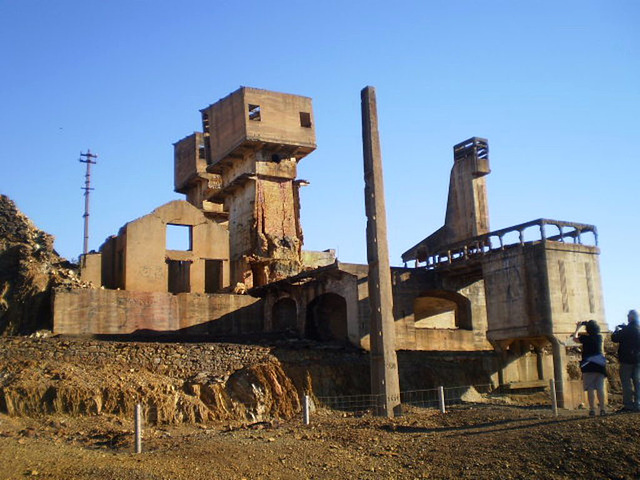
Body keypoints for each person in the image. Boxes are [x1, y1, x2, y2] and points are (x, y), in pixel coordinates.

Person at [572, 319, 607, 416]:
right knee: (600, 387)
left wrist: (578, 327)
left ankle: (592, 409)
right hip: (600, 364)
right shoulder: (600, 337)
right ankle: (602, 409)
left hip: (588, 364)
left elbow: (574, 338)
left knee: (590, 387)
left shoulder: (585, 338)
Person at [611, 310, 640, 411]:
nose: (627, 317)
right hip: (638, 360)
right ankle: (638, 404)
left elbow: (614, 338)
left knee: (627, 383)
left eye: (628, 315)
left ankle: (628, 405)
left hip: (627, 360)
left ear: (631, 317)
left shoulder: (627, 329)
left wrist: (616, 330)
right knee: (638, 382)